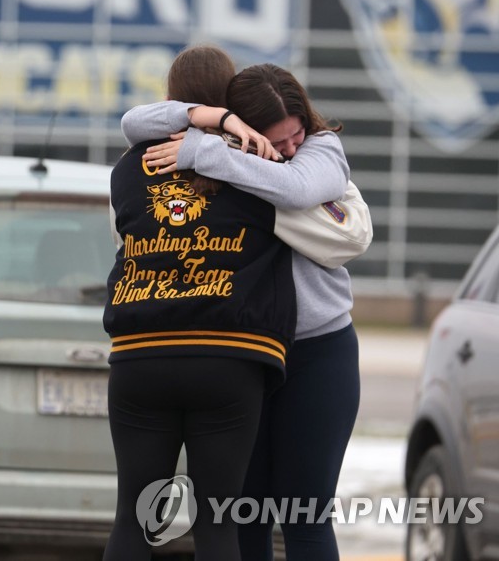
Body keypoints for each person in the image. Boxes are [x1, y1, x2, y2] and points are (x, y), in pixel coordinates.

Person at [122, 58, 367, 560]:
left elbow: (298, 186)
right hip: (245, 353)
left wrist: (206, 151)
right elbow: (132, 123)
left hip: (317, 352)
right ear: (247, 126)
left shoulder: (320, 150)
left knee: (305, 513)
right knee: (243, 513)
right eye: (278, 141)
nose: (289, 149)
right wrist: (214, 123)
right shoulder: (232, 149)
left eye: (295, 133)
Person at [103, 45, 297, 561]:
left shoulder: (129, 166)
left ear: (170, 97)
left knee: (134, 519)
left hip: (140, 352)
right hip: (229, 354)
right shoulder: (254, 160)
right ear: (229, 98)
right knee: (218, 525)